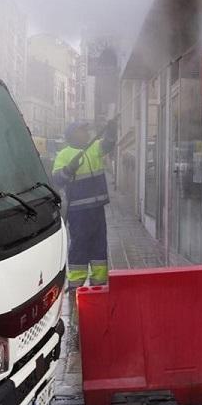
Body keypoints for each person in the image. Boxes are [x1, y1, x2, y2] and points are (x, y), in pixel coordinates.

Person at [52, 119, 116, 288]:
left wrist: (111, 131)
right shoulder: (64, 154)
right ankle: (76, 284)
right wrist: (68, 169)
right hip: (78, 211)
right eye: (83, 130)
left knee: (99, 245)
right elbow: (57, 180)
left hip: (96, 209)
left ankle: (99, 282)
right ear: (73, 134)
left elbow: (108, 145)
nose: (87, 133)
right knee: (80, 245)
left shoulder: (94, 147)